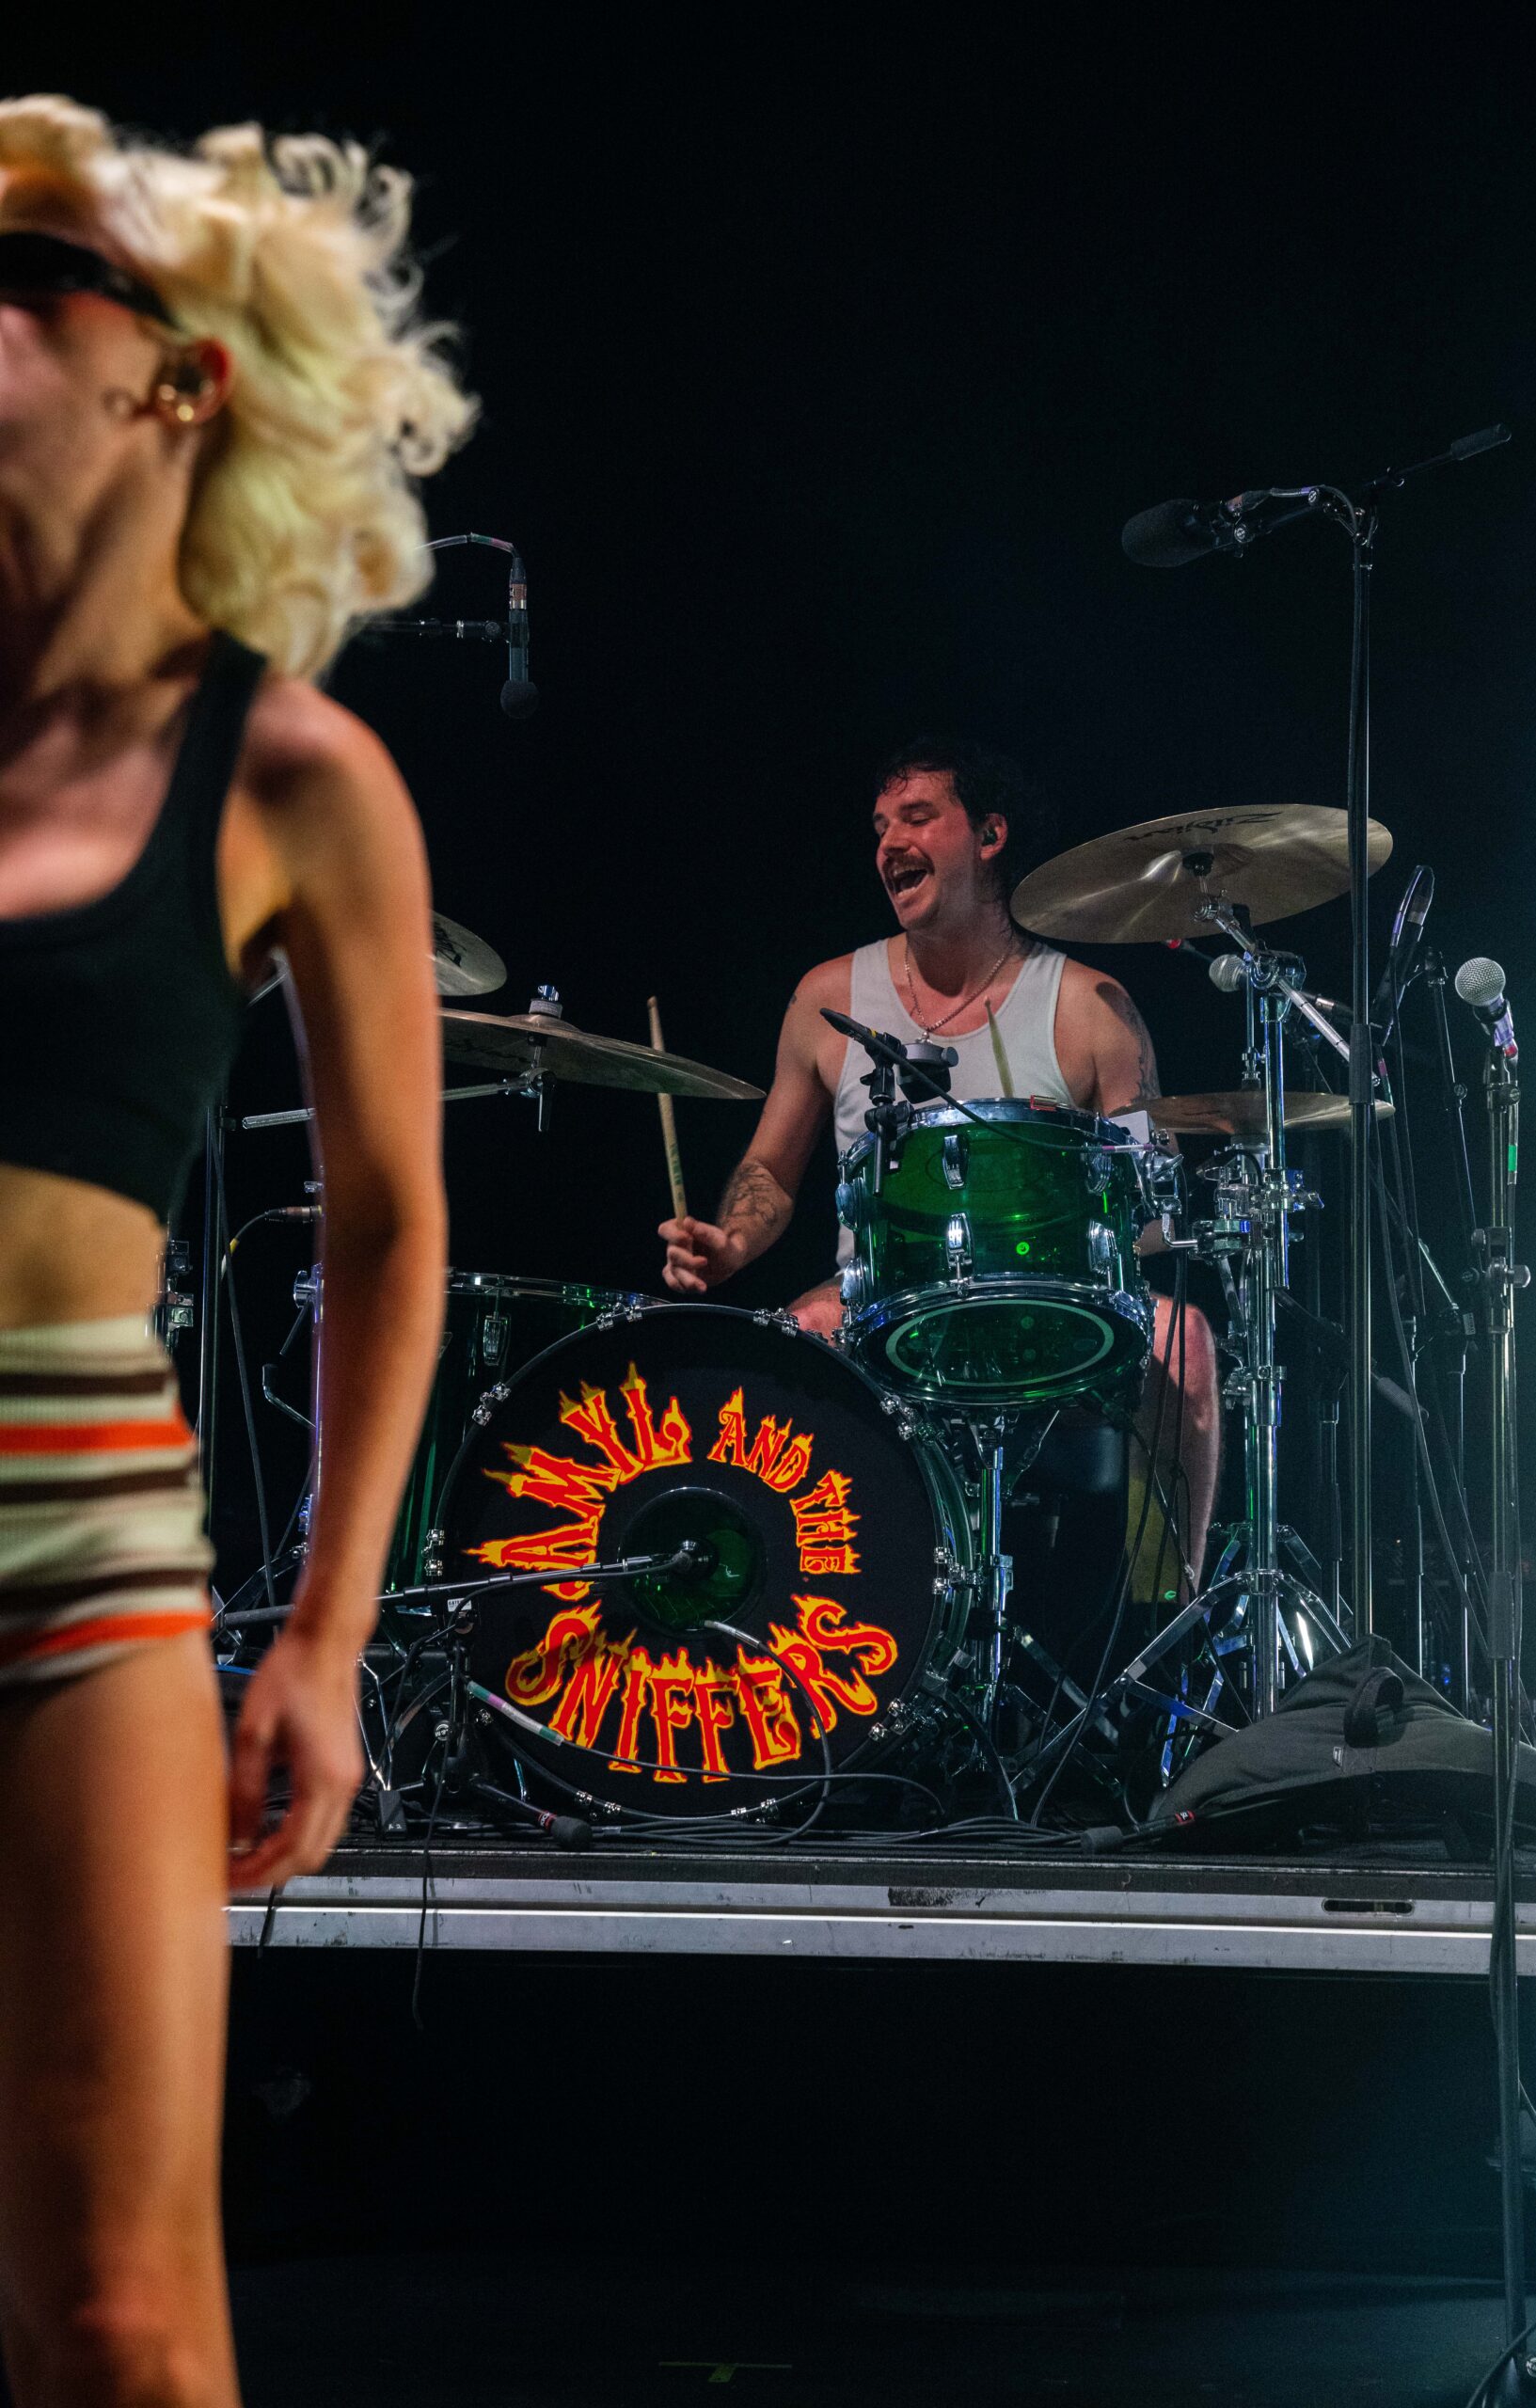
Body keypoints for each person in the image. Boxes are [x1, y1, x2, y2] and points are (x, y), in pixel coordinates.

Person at [0, 97, 473, 2405]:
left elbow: (390, 1224)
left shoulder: (290, 776)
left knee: (120, 2315)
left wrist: (327, 1632)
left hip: (68, 1533)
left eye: (24, 283)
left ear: (176, 376)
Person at [659, 737, 1219, 1596]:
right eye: (880, 827)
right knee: (792, 1340)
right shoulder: (827, 997)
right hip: (879, 1299)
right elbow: (769, 1170)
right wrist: (731, 1240)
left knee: (1187, 1342)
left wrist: (1094, 1197)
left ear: (990, 836)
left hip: (1047, 1303)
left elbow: (1154, 1211)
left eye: (917, 818)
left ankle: (1162, 1623)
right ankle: (798, 1625)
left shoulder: (1089, 1005)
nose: (890, 843)